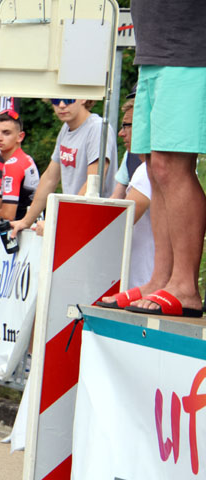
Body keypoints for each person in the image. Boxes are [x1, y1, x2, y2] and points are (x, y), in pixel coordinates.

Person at [118, 0, 206, 318]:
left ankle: (185, 287)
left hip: (189, 49)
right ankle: (161, 278)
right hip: (152, 50)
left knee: (171, 165)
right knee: (154, 167)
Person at [10, 99, 118, 237]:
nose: (61, 105)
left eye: (69, 99)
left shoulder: (97, 128)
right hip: (75, 222)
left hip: (98, 227)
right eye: (55, 100)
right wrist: (26, 221)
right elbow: (50, 178)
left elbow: (93, 184)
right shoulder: (66, 129)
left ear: (84, 98)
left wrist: (59, 222)